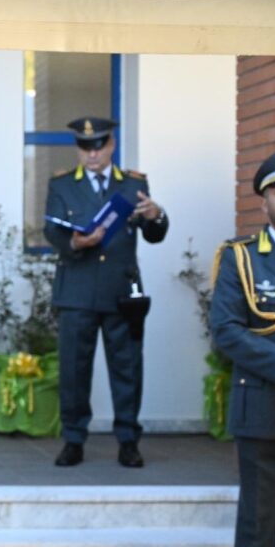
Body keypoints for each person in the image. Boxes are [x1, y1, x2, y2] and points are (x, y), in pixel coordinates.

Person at [43, 116, 168, 468]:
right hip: (77, 292)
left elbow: (153, 232)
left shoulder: (132, 184)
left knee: (127, 369)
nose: (92, 153)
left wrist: (157, 215)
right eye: (85, 147)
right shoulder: (63, 185)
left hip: (121, 291)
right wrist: (75, 241)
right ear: (78, 150)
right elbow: (51, 230)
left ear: (111, 145)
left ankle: (128, 440)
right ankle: (73, 440)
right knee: (74, 371)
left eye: (99, 145)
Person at [209, 147, 275, 547]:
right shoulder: (241, 259)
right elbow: (226, 330)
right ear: (265, 201)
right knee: (259, 514)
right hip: (264, 397)